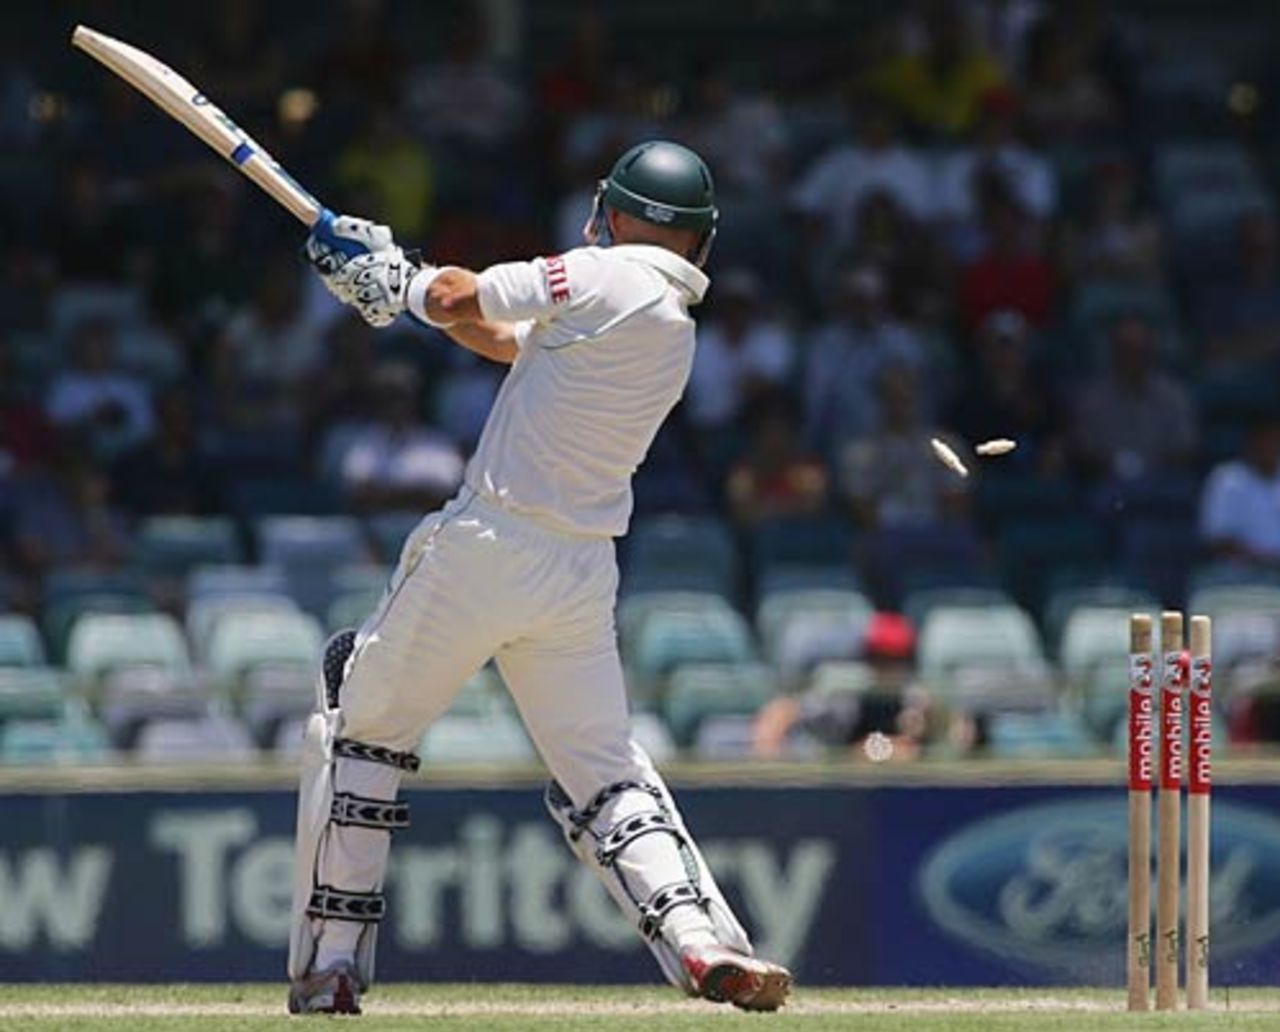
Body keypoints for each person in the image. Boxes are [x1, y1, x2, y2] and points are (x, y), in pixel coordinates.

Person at [288, 141, 792, 1014]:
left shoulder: (598, 274)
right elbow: (496, 337)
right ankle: (702, 943)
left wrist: (399, 282)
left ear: (624, 215)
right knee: (605, 772)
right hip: (580, 573)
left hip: (487, 543)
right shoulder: (670, 325)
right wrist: (399, 283)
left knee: (360, 721)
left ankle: (332, 966)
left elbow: (454, 296)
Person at [1199, 413, 1280, 570]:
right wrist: (1262, 559)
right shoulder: (1227, 478)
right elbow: (1217, 539)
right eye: (1266, 441)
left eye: (1276, 441)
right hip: (1241, 572)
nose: (1271, 447)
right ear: (1252, 443)